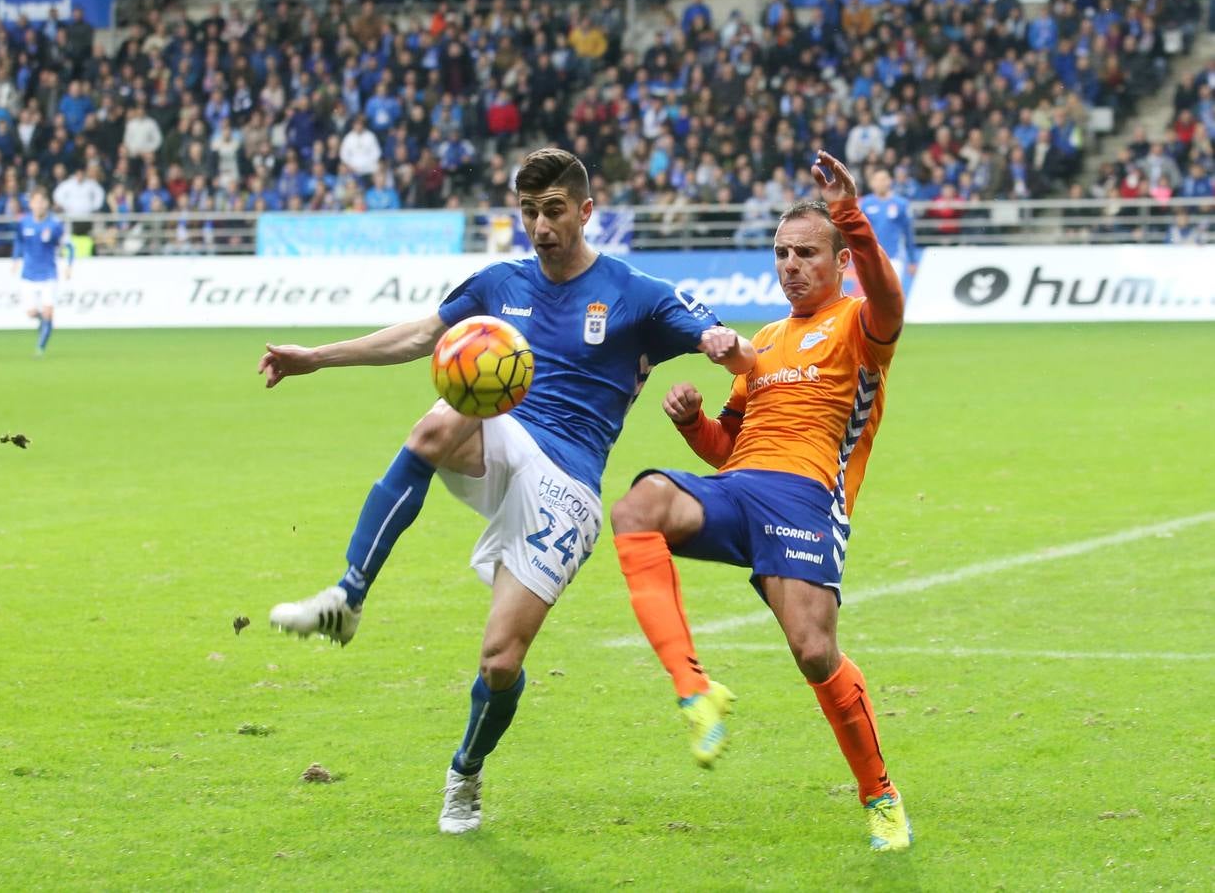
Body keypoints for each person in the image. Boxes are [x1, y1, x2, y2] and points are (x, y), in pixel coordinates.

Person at [257, 149, 755, 834]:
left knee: (499, 661)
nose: (540, 226)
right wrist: (315, 357)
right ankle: (347, 595)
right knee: (437, 422)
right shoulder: (499, 283)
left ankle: (464, 773)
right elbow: (420, 337)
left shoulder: (635, 292)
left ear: (585, 212)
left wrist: (722, 344)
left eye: (553, 211)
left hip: (568, 484)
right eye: (528, 212)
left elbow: (718, 339)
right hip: (504, 435)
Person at [609, 151, 913, 852]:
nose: (790, 265)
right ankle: (694, 689)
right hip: (740, 488)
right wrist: (692, 424)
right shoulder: (765, 343)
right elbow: (730, 450)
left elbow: (890, 302)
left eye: (806, 253)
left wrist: (850, 216)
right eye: (780, 253)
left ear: (838, 262)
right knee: (637, 507)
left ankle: (879, 794)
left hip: (807, 501)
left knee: (813, 653)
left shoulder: (859, 325)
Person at [12, 188, 72, 355]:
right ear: (31, 204)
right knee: (31, 312)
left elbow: (69, 246)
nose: (39, 205)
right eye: (35, 202)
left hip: (48, 274)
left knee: (48, 311)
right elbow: (18, 242)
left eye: (42, 201)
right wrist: (15, 259)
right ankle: (44, 323)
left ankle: (40, 348)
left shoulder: (54, 224)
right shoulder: (24, 223)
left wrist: (69, 265)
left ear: (47, 204)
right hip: (29, 274)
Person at [859, 167, 918, 285]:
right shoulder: (865, 204)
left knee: (894, 294)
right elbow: (859, 233)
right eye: (877, 180)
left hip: (895, 257)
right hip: (872, 258)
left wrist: (912, 260)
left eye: (884, 179)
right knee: (876, 296)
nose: (881, 183)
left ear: (890, 181)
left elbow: (908, 233)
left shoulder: (901, 204)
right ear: (872, 183)